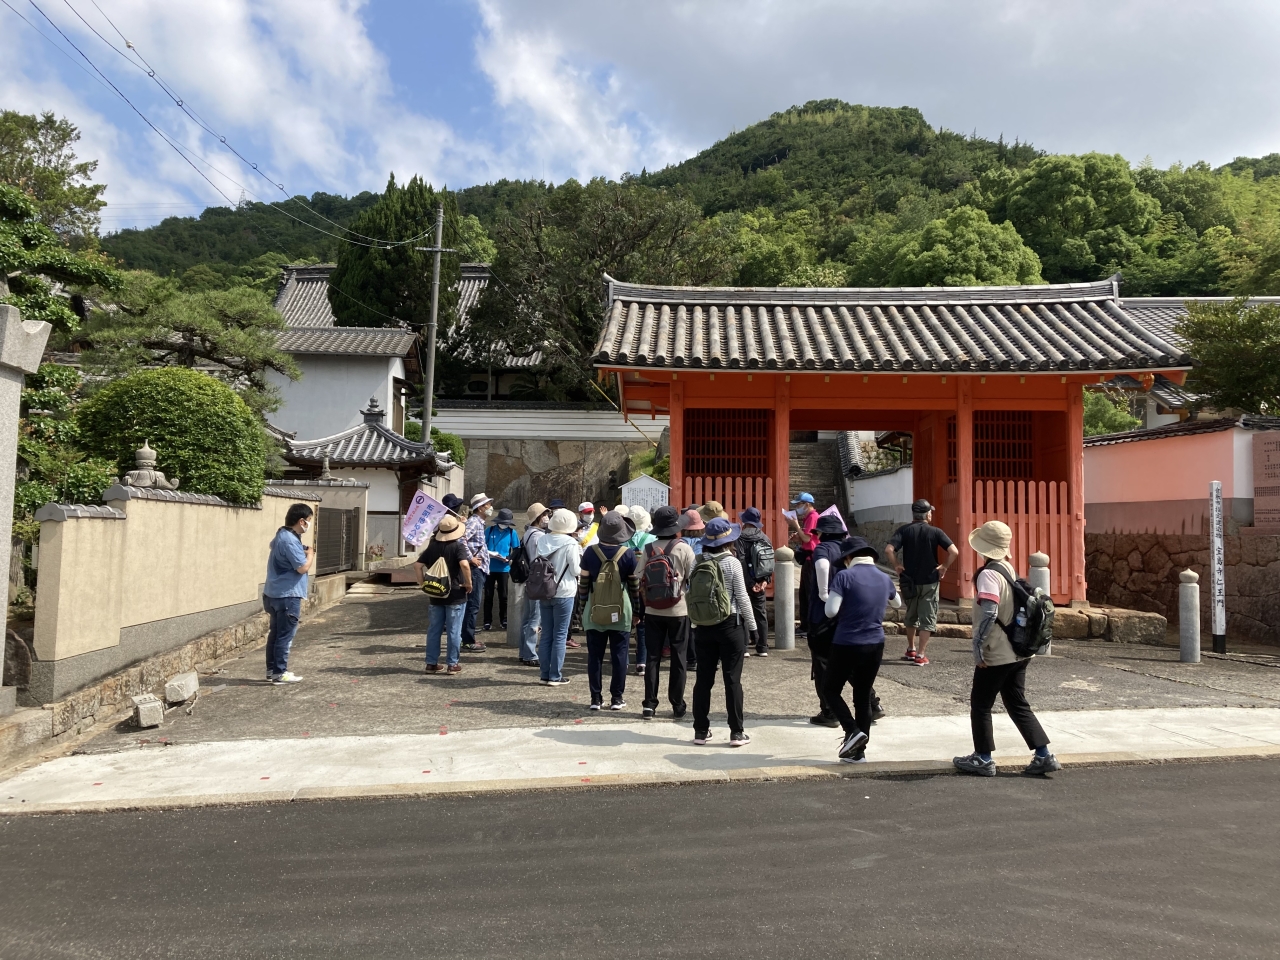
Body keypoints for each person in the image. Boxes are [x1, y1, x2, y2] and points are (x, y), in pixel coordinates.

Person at [954, 521, 1062, 777]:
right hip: (1019, 649)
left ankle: (983, 758)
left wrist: (978, 646)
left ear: (983, 548)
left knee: (980, 704)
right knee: (1016, 702)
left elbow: (989, 611)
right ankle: (1043, 754)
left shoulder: (988, 574)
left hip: (998, 651)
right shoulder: (1008, 568)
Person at [824, 537, 901, 763]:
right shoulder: (884, 577)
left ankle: (852, 730)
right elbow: (897, 603)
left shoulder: (844, 576)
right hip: (875, 643)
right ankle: (859, 753)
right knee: (863, 696)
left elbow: (831, 611)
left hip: (846, 642)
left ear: (848, 558)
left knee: (830, 689)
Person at [690, 518, 757, 747]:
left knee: (703, 680)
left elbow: (688, 592)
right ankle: (736, 733)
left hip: (703, 626)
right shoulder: (732, 563)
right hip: (731, 624)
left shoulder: (697, 561)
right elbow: (742, 597)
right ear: (729, 540)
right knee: (732, 680)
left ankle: (700, 731)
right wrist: (754, 627)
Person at [638, 505, 696, 719]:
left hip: (653, 610)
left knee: (653, 656)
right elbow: (693, 577)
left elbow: (638, 578)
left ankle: (649, 704)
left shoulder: (648, 549)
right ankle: (677, 704)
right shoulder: (684, 548)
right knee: (678, 657)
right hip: (678, 609)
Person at [578, 511, 640, 710]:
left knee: (595, 655)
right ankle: (617, 698)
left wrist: (582, 609)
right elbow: (634, 587)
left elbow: (584, 584)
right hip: (621, 610)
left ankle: (596, 699)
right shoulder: (628, 554)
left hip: (594, 609)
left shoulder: (590, 552)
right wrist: (637, 612)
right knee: (620, 655)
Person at [885, 499, 959, 665]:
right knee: (927, 617)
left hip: (909, 581)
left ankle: (911, 649)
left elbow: (889, 549)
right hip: (929, 580)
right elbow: (954, 551)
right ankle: (921, 654)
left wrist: (897, 565)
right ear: (928, 515)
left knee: (911, 615)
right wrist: (944, 566)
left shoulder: (903, 530)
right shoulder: (935, 532)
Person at [805, 513, 851, 727]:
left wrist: (824, 593)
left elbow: (823, 567)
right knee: (850, 661)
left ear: (822, 533)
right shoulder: (848, 549)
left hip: (822, 614)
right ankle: (872, 702)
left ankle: (829, 711)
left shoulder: (822, 549)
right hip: (846, 612)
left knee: (823, 663)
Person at [263, 503, 316, 684]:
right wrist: (310, 554)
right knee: (285, 636)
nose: (308, 525)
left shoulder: (281, 535)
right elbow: (302, 568)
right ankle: (280, 672)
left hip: (272, 593)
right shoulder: (291, 540)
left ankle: (272, 670)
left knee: (275, 634)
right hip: (288, 595)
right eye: (308, 521)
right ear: (301, 521)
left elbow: (277, 550)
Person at [418, 514, 473, 675]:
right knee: (454, 630)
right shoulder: (458, 546)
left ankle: (431, 663)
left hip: (435, 593)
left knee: (434, 629)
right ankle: (452, 664)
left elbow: (417, 565)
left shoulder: (432, 546)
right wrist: (468, 583)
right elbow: (464, 564)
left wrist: (423, 584)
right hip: (456, 593)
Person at [536, 508, 584, 686]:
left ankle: (544, 674)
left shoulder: (543, 539)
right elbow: (576, 570)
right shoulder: (571, 543)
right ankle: (555, 676)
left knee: (547, 633)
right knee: (560, 635)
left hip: (544, 590)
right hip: (564, 592)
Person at [624, 505, 656, 676]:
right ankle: (642, 662)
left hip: (625, 586)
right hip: (646, 586)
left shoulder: (622, 540)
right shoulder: (652, 539)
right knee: (643, 625)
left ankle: (624, 661)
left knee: (625, 625)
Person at [518, 503, 550, 666]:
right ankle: (530, 653)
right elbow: (541, 559)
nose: (547, 517)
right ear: (538, 517)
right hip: (537, 580)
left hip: (529, 579)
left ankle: (523, 652)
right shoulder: (538, 536)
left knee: (527, 617)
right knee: (535, 619)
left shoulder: (528, 534)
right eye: (544, 514)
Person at [738, 507, 774, 656]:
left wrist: (749, 582)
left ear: (745, 522)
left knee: (743, 612)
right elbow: (769, 561)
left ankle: (744, 647)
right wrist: (765, 580)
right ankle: (762, 647)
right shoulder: (765, 538)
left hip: (744, 580)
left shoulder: (739, 538)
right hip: (760, 581)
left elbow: (740, 560)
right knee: (760, 613)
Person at [461, 493, 493, 652]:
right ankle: (467, 640)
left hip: (479, 569)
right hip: (475, 569)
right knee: (472, 605)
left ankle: (468, 637)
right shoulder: (474, 522)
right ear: (480, 507)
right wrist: (471, 558)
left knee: (472, 605)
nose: (490, 507)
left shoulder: (478, 522)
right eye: (487, 504)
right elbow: (461, 539)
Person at [788, 493, 820, 636]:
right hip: (808, 559)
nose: (797, 507)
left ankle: (808, 626)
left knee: (808, 593)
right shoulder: (809, 518)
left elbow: (807, 538)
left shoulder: (813, 517)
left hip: (811, 559)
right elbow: (806, 538)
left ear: (807, 504)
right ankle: (805, 625)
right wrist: (797, 536)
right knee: (804, 593)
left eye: (799, 504)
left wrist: (795, 525)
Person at [483, 507, 520, 631]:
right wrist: (489, 553)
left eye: (507, 523)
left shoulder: (511, 533)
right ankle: (487, 621)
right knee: (488, 595)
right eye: (503, 523)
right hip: (489, 567)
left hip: (504, 568)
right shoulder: (490, 530)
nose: (504, 525)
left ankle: (504, 619)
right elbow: (482, 546)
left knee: (503, 595)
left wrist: (509, 557)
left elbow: (516, 549)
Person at [680, 509, 706, 668]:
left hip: (685, 588)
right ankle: (707, 657)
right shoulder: (706, 542)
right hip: (703, 586)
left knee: (689, 625)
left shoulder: (679, 543)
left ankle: (692, 659)